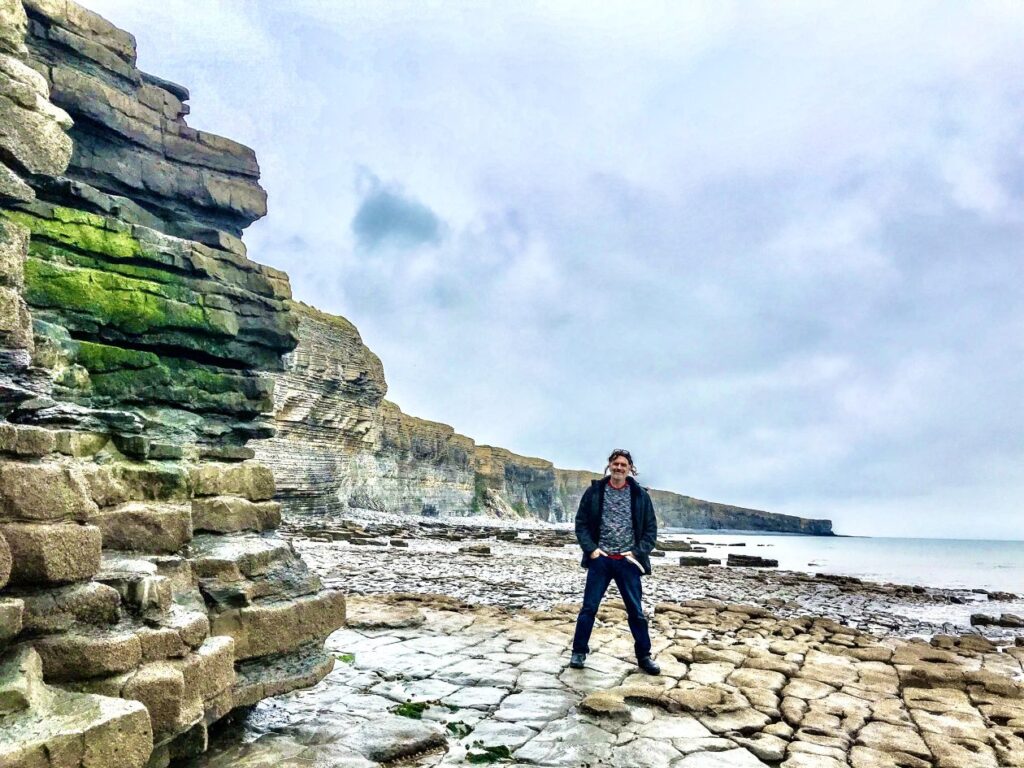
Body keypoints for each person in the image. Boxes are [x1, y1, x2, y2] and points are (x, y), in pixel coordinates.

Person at [570, 448, 660, 675]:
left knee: (636, 611)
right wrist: (591, 550)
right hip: (601, 559)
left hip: (628, 562)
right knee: (589, 608)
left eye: (624, 465)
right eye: (615, 463)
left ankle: (644, 656)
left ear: (630, 469)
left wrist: (636, 553)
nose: (619, 468)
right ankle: (578, 652)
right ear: (609, 465)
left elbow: (651, 531)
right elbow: (581, 523)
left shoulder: (640, 495)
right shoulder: (595, 492)